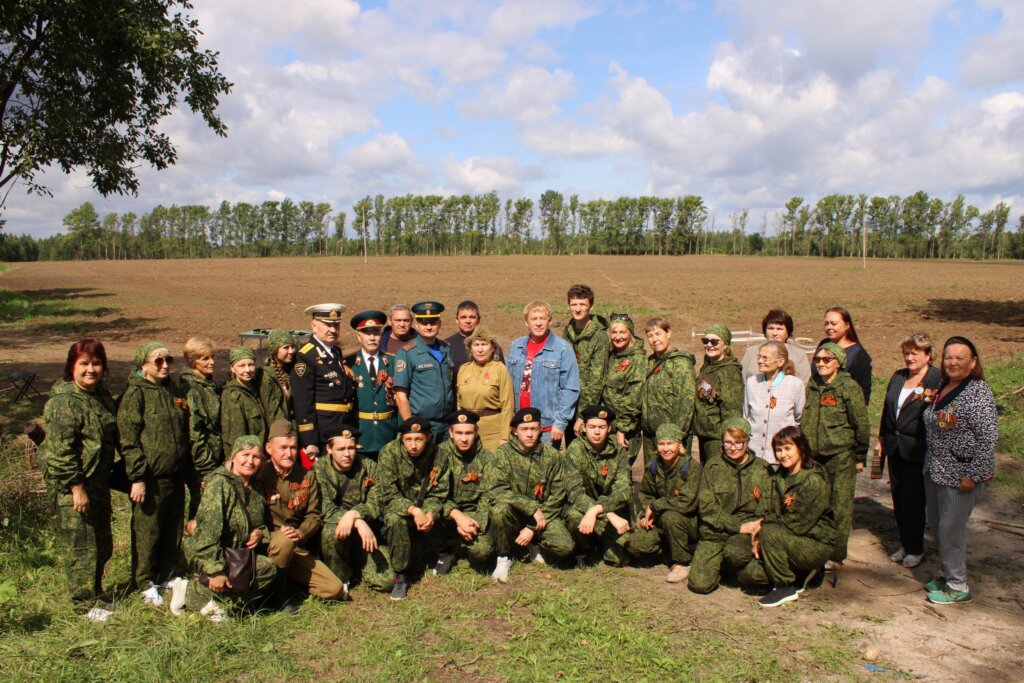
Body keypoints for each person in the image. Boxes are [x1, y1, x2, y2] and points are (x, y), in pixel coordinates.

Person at [40, 339, 118, 621]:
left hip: (98, 483)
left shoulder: (102, 397)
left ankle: (96, 592)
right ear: (71, 366)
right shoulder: (63, 403)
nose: (90, 370)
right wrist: (76, 488)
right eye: (84, 364)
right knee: (81, 545)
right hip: (74, 486)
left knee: (101, 541)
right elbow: (60, 451)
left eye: (96, 363)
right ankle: (83, 603)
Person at [922, 336, 998, 605]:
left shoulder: (977, 392)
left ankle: (957, 585)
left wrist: (973, 475)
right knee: (939, 526)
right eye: (948, 357)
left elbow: (988, 438)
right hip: (936, 470)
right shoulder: (944, 386)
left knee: (952, 530)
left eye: (960, 357)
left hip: (960, 475)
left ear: (973, 362)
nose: (952, 362)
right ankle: (945, 573)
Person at [118, 342, 189, 604]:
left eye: (168, 359)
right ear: (142, 365)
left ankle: (168, 574)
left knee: (173, 527)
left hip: (175, 474)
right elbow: (128, 440)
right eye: (157, 361)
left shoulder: (172, 390)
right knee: (148, 531)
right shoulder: (135, 394)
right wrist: (137, 477)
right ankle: (144, 581)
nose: (165, 365)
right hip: (150, 478)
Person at [180, 436, 277, 622]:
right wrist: (216, 571)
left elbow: (260, 523)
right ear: (234, 456)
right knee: (227, 577)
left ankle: (215, 603)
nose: (250, 461)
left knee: (268, 568)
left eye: (256, 457)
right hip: (210, 554)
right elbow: (207, 533)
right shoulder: (219, 484)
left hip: (236, 554)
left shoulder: (255, 487)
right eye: (245, 455)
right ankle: (194, 594)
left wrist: (259, 533)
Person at [258, 420, 344, 609]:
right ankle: (279, 597)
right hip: (265, 543)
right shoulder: (259, 473)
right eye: (282, 448)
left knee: (334, 588)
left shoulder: (306, 476)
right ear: (268, 448)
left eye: (293, 447)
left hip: (294, 544)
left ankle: (286, 577)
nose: (288, 453)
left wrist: (301, 533)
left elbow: (314, 515)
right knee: (284, 540)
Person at [747, 426, 836, 607]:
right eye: (778, 450)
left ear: (801, 448)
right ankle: (805, 572)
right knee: (752, 574)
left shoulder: (813, 481)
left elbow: (797, 523)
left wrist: (763, 528)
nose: (782, 455)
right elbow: (766, 508)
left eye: (788, 448)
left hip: (814, 542)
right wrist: (758, 531)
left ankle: (785, 586)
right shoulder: (779, 477)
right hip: (788, 538)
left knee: (770, 532)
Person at [486, 407, 574, 582]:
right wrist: (530, 507)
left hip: (543, 516)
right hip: (514, 513)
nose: (529, 434)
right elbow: (496, 490)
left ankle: (534, 544)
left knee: (565, 547)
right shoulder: (503, 455)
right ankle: (504, 556)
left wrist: (532, 528)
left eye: (534, 429)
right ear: (514, 431)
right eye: (524, 429)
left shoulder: (552, 456)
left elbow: (557, 495)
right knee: (498, 511)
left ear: (541, 430)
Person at [876, 333, 942, 569]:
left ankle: (916, 548)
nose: (910, 357)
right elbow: (887, 408)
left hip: (918, 448)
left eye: (915, 352)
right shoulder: (898, 377)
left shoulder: (937, 379)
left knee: (913, 500)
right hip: (895, 446)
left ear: (928, 355)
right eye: (907, 352)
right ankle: (905, 544)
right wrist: (882, 437)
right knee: (898, 498)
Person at [801, 342, 869, 567]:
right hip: (813, 456)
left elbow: (860, 423)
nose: (820, 363)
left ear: (838, 363)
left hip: (839, 456)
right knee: (816, 502)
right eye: (817, 359)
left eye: (826, 359)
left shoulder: (848, 387)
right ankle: (817, 545)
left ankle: (835, 553)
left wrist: (859, 455)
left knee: (839, 506)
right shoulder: (813, 384)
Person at [688, 417, 772, 594]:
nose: (732, 447)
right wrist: (736, 526)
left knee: (735, 553)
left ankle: (740, 570)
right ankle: (721, 569)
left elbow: (769, 505)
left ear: (747, 441)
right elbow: (707, 507)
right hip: (715, 531)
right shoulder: (713, 467)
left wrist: (758, 527)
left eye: (738, 442)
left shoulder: (762, 469)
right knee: (699, 584)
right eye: (727, 442)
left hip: (747, 531)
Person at [376, 416, 452, 600]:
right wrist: (413, 510)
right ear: (401, 438)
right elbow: (388, 494)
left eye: (418, 439)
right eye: (408, 439)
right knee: (395, 521)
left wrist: (430, 512)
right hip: (399, 506)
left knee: (441, 512)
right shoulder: (389, 453)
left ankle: (444, 550)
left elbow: (440, 491)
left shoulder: (439, 455)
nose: (414, 445)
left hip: (426, 505)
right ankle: (402, 575)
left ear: (427, 437)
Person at [317, 427, 394, 599]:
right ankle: (341, 577)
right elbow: (324, 508)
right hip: (339, 530)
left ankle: (358, 563)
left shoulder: (368, 466)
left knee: (387, 581)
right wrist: (356, 520)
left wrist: (354, 515)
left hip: (364, 535)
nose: (347, 454)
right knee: (330, 533)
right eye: (341, 449)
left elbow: (377, 502)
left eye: (351, 448)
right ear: (329, 449)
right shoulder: (319, 469)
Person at [628, 423, 701, 583]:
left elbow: (687, 502)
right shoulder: (654, 466)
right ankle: (670, 549)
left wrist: (656, 506)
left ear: (679, 445)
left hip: (687, 523)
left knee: (671, 517)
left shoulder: (691, 468)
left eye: (670, 443)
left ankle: (681, 563)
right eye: (661, 444)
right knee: (635, 545)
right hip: (661, 520)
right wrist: (646, 512)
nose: (665, 449)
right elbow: (645, 493)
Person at [563, 405, 632, 568]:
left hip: (610, 510)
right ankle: (583, 548)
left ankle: (599, 540)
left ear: (609, 429)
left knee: (618, 559)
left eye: (601, 427)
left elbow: (624, 490)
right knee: (573, 516)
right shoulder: (575, 450)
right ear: (584, 428)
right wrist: (606, 514)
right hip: (582, 509)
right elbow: (574, 492)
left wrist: (598, 510)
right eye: (592, 427)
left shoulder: (619, 451)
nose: (597, 432)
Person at [506, 301, 581, 446]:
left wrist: (560, 422)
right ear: (526, 322)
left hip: (547, 427)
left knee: (546, 467)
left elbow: (570, 389)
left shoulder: (562, 349)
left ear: (550, 321)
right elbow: (507, 383)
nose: (538, 323)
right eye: (534, 319)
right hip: (519, 424)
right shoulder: (516, 346)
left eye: (543, 318)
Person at [291, 303, 357, 464]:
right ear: (314, 326)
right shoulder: (306, 356)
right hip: (322, 431)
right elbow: (303, 402)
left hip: (341, 426)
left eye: (336, 325)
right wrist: (310, 440)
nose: (333, 330)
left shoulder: (335, 351)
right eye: (327, 325)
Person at [434, 410, 496, 575]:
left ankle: (460, 543)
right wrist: (457, 517)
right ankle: (445, 551)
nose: (463, 438)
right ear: (450, 433)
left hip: (474, 515)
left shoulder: (487, 458)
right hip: (446, 514)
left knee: (482, 553)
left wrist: (473, 523)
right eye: (459, 433)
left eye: (468, 433)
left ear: (476, 433)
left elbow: (488, 495)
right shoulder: (438, 455)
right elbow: (435, 494)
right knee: (428, 513)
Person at [393, 301, 456, 442]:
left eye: (433, 322)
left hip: (446, 424)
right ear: (416, 325)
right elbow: (400, 395)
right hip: (422, 424)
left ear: (439, 323)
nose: (428, 327)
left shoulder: (446, 348)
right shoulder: (407, 353)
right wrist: (411, 426)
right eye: (423, 323)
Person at [639, 317, 697, 464]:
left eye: (658, 334)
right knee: (653, 480)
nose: (654, 340)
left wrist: (676, 436)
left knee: (676, 482)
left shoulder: (680, 362)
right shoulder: (650, 362)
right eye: (650, 336)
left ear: (668, 333)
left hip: (672, 438)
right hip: (651, 437)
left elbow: (687, 401)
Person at [179, 336, 222, 533]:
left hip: (213, 455)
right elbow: (194, 431)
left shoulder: (208, 385)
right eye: (204, 359)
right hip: (200, 462)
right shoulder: (191, 388)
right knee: (202, 506)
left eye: (212, 357)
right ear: (192, 361)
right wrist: (205, 467)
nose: (211, 362)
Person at [344, 310, 399, 460]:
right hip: (362, 434)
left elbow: (401, 400)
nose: (372, 337)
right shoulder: (348, 364)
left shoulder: (393, 362)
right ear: (358, 336)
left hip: (387, 434)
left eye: (376, 333)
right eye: (367, 333)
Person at [744, 341, 806, 465]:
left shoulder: (795, 385)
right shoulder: (752, 382)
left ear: (780, 361)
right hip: (754, 455)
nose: (760, 361)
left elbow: (799, 418)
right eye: (759, 357)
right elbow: (746, 416)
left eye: (765, 358)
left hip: (782, 458)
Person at [456, 324, 514, 452]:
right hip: (468, 430)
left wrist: (504, 436)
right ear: (470, 348)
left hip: (492, 431)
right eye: (476, 345)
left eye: (484, 344)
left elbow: (507, 406)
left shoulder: (500, 370)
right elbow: (459, 403)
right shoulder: (463, 369)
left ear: (492, 347)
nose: (480, 349)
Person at [693, 324, 744, 464]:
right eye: (705, 341)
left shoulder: (729, 372)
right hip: (704, 435)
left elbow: (732, 409)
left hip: (718, 438)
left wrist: (728, 439)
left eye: (714, 342)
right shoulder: (708, 365)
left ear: (725, 346)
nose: (709, 345)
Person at [564, 284, 609, 443]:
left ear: (591, 306)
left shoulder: (599, 337)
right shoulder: (568, 331)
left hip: (587, 408)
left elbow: (596, 382)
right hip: (569, 403)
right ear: (568, 305)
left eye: (582, 304)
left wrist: (583, 415)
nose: (577, 309)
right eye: (574, 304)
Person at [600, 313, 646, 464]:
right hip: (609, 425)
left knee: (622, 472)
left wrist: (622, 430)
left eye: (622, 332)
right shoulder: (613, 355)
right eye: (614, 332)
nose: (618, 337)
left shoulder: (637, 359)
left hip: (626, 430)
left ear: (630, 333)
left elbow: (634, 397)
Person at [819, 306, 873, 405]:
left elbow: (863, 394)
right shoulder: (823, 345)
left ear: (847, 325)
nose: (829, 327)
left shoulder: (859, 355)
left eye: (834, 324)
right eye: (826, 324)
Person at [220, 347, 269, 455]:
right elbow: (235, 437)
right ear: (232, 368)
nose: (247, 370)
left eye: (251, 365)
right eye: (241, 366)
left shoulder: (253, 388)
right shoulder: (233, 396)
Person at [740, 309, 812, 383]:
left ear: (788, 332)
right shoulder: (752, 352)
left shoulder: (799, 354)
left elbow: (805, 383)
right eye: (771, 328)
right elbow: (741, 379)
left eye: (779, 329)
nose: (774, 333)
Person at [444, 300, 503, 370]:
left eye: (472, 317)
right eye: (463, 317)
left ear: (478, 320)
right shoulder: (447, 345)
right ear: (457, 320)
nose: (468, 321)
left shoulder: (491, 344)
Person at [260, 329, 296, 425]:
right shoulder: (266, 376)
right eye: (286, 347)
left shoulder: (288, 371)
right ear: (274, 350)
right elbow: (271, 412)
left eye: (293, 346)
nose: (291, 351)